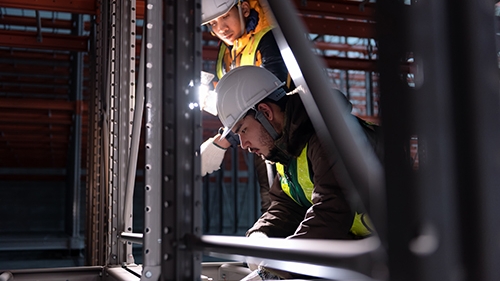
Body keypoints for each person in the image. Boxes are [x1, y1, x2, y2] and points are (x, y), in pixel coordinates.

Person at [213, 66, 382, 280]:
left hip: (400, 250)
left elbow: (332, 211)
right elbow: (288, 205)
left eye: (243, 130)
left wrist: (276, 266)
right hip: (364, 248)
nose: (244, 144)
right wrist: (261, 235)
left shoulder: (328, 137)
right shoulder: (287, 148)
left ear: (266, 112)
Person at [200, 0, 294, 213]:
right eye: (213, 23)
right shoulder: (228, 51)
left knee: (294, 202)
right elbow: (227, 97)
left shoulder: (270, 39)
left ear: (243, 9)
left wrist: (223, 141)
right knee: (272, 201)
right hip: (262, 140)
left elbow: (274, 99)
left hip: (291, 138)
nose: (220, 28)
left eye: (225, 17)